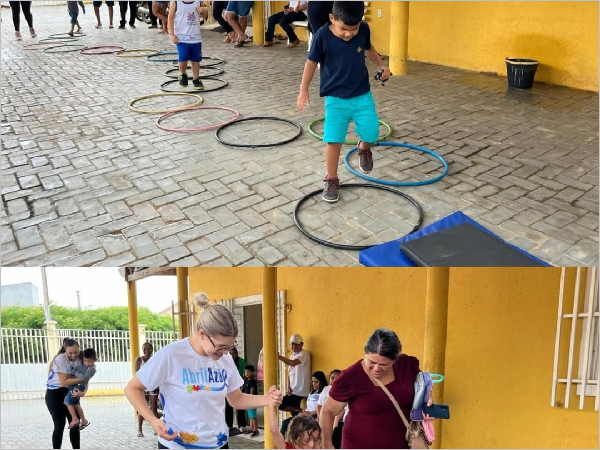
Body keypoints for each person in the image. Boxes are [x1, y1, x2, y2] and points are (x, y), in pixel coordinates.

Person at [124, 292, 283, 449]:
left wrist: (267, 399)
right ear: (202, 334)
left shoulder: (225, 358)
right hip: (177, 445)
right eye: (220, 347)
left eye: (229, 347)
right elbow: (132, 388)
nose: (225, 353)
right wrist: (153, 420)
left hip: (218, 444)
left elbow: (236, 398)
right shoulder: (171, 355)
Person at [296, 1, 391, 203]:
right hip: (335, 100)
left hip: (362, 95)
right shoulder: (322, 35)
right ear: (332, 18)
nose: (348, 34)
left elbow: (369, 49)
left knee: (372, 132)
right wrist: (303, 89)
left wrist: (382, 65)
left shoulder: (364, 30)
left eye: (353, 29)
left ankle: (363, 148)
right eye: (343, 29)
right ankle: (331, 179)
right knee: (334, 140)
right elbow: (311, 62)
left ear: (360, 22)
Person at [319, 328, 432, 449]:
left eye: (384, 364)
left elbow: (423, 386)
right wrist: (327, 445)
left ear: (395, 358)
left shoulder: (406, 365)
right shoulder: (350, 377)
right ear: (365, 353)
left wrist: (428, 402)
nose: (377, 369)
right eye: (371, 362)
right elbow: (327, 411)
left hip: (402, 444)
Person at [45, 338, 84, 449]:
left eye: (76, 352)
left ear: (79, 349)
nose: (73, 355)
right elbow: (64, 381)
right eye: (70, 353)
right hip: (55, 394)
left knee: (75, 424)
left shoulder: (81, 357)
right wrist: (82, 379)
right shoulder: (60, 359)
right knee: (59, 425)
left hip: (70, 391)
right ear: (65, 350)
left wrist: (83, 390)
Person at [169, 1, 207, 90]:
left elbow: (204, 16)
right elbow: (170, 18)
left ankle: (196, 79)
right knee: (183, 57)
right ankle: (183, 74)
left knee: (196, 59)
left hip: (195, 37)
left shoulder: (199, 1)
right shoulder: (175, 2)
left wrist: (204, 11)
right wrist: (171, 34)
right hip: (181, 37)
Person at [281, 371, 327, 436]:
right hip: (306, 414)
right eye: (313, 382)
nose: (314, 384)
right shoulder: (312, 392)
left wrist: (310, 413)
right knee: (286, 423)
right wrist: (303, 411)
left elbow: (323, 407)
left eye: (316, 382)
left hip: (314, 415)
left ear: (321, 382)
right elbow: (308, 404)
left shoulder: (324, 392)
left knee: (295, 427)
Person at [65, 348, 97, 431]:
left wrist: (73, 372)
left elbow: (84, 377)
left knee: (67, 401)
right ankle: (83, 420)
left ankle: (75, 418)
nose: (87, 363)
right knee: (76, 404)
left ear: (95, 360)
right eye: (85, 361)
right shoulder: (80, 360)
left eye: (90, 361)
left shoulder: (92, 369)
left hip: (79, 386)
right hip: (75, 384)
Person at [278, 334, 311, 414]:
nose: (294, 346)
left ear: (302, 344)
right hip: (293, 390)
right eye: (292, 344)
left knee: (280, 404)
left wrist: (278, 356)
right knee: (293, 412)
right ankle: (300, 412)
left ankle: (301, 411)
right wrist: (288, 387)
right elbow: (289, 374)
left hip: (300, 390)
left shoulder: (304, 354)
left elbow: (293, 363)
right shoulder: (292, 356)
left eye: (296, 344)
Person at [135, 342, 160, 437]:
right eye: (144, 349)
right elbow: (137, 373)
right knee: (142, 408)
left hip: (153, 385)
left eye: (148, 349)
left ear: (152, 349)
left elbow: (157, 372)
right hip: (143, 386)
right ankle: (139, 430)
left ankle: (156, 428)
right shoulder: (139, 359)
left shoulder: (155, 359)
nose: (147, 351)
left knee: (154, 408)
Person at [225, 347, 248, 434]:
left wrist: (242, 384)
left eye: (233, 353)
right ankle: (229, 426)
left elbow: (245, 374)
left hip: (239, 385)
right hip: (228, 386)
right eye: (230, 354)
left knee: (240, 405)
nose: (232, 355)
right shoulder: (226, 361)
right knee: (228, 407)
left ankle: (242, 425)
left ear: (236, 354)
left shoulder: (241, 362)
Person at [243, 365, 259, 437]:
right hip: (248, 400)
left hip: (251, 401)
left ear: (252, 372)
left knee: (253, 416)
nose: (247, 373)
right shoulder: (247, 381)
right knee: (250, 415)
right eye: (245, 372)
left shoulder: (252, 381)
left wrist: (250, 398)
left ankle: (256, 430)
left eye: (248, 372)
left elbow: (252, 390)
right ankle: (251, 428)